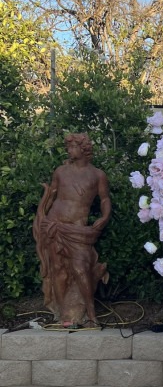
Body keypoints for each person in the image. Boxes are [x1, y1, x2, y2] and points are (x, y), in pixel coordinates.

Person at [33, 133, 111, 327]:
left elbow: (104, 199)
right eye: (68, 147)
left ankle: (91, 315)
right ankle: (63, 315)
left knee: (80, 269)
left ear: (84, 149)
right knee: (58, 269)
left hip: (77, 230)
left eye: (72, 146)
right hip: (54, 225)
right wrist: (41, 217)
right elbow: (51, 196)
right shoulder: (60, 171)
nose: (68, 150)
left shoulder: (97, 175)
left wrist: (104, 217)